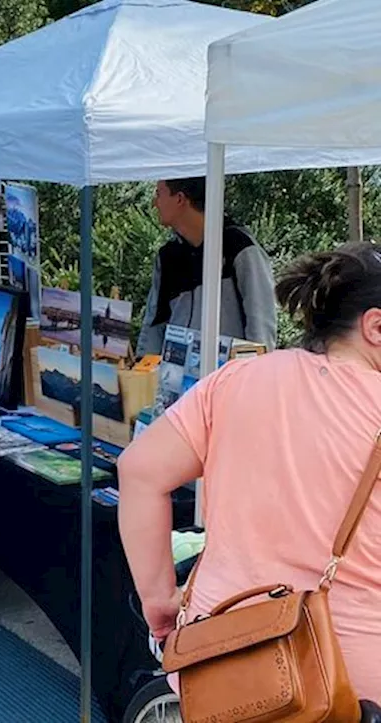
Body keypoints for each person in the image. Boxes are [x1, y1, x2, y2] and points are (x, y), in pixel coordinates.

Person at [118, 242, 381, 704]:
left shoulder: (238, 379)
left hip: (221, 659)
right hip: (348, 683)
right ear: (375, 326)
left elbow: (138, 470)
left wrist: (159, 600)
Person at [138, 177, 277, 355]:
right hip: (176, 378)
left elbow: (261, 323)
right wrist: (143, 367)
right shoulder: (167, 256)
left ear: (180, 198)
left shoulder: (239, 247)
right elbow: (155, 321)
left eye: (158, 194)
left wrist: (254, 374)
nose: (154, 203)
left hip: (228, 378)